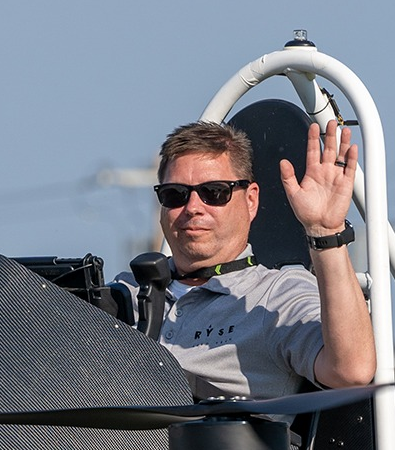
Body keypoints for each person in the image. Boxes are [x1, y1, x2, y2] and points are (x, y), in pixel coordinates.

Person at [136, 118, 374, 398]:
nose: (193, 208)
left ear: (251, 200)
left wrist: (325, 232)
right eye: (175, 194)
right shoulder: (126, 291)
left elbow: (352, 372)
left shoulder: (277, 294)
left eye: (214, 192)